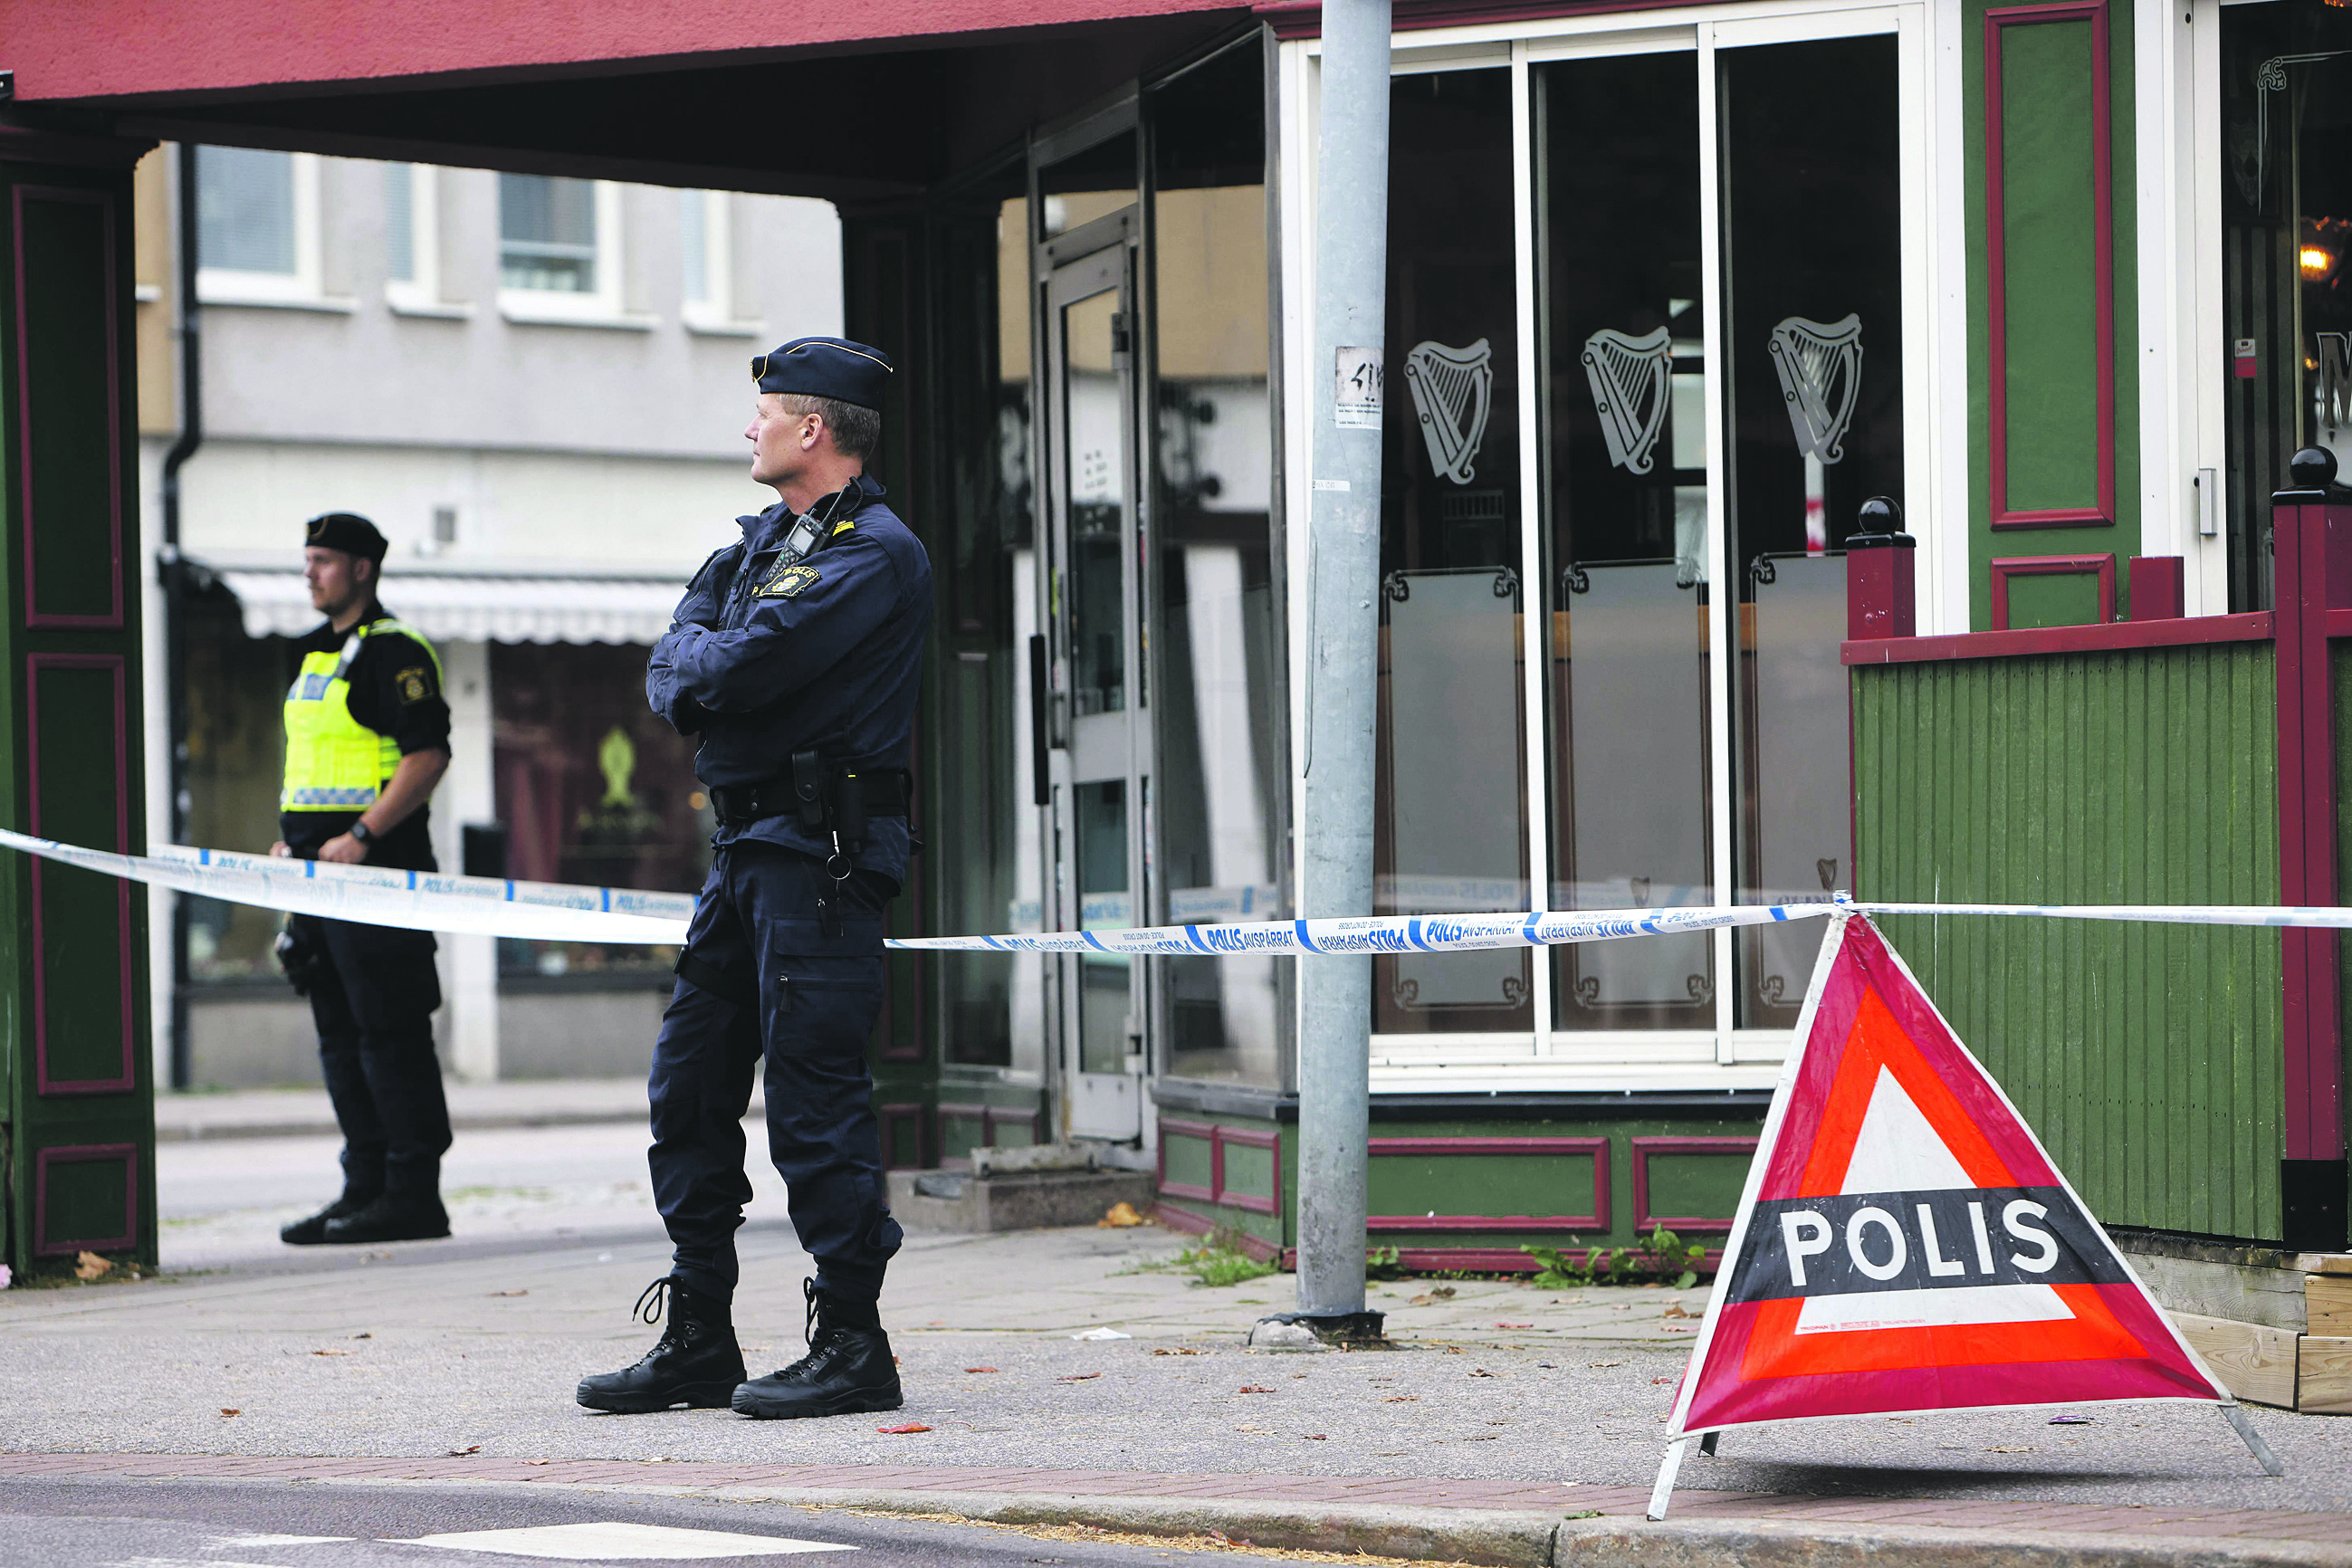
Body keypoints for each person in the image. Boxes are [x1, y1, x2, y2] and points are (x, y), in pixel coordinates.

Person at [578, 337, 932, 1420]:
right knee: (687, 1089)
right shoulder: (765, 542)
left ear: (812, 428)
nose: (751, 427)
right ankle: (699, 1332)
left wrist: (700, 668)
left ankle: (854, 1343)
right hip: (743, 853)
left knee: (814, 1102)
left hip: (817, 859)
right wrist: (698, 667)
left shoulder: (871, 551)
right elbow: (673, 659)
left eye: (767, 410)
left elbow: (728, 666)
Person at [271, 512, 456, 1247]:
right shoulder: (317, 655)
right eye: (307, 559)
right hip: (315, 885)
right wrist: (292, 845)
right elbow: (310, 772)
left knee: (390, 1036)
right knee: (341, 1038)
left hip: (377, 879)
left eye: (324, 561)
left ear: (362, 569)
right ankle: (364, 1189)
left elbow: (428, 755)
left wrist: (360, 835)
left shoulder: (394, 651)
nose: (311, 573)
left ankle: (413, 1193)